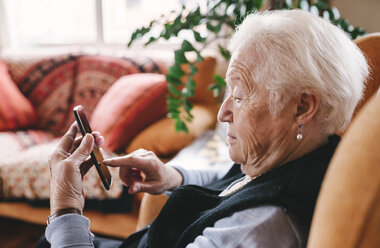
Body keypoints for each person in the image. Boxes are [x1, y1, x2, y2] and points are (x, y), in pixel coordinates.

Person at [39, 9, 369, 248]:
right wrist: (171, 177)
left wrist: (66, 207)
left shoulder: (255, 230)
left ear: (301, 107)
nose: (223, 112)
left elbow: (245, 208)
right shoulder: (308, 156)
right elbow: (234, 187)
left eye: (240, 97)